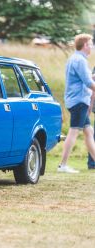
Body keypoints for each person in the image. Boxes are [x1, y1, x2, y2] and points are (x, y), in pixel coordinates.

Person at [59, 33, 95, 173]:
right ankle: (63, 165)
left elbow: (84, 79)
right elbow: (87, 82)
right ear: (85, 45)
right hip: (79, 101)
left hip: (76, 100)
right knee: (74, 131)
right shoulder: (80, 60)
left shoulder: (74, 58)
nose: (92, 47)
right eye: (91, 44)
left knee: (88, 131)